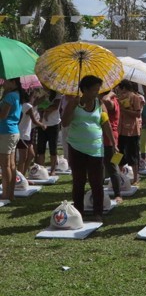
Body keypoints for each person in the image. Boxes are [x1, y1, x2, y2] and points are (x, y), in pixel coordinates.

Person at [61, 76, 116, 221]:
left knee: (97, 182)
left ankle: (98, 212)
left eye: (98, 89)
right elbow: (65, 123)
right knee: (78, 181)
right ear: (84, 89)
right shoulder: (74, 103)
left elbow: (105, 123)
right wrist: (72, 107)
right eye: (94, 90)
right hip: (76, 147)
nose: (97, 92)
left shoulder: (99, 103)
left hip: (96, 149)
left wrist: (113, 142)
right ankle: (79, 212)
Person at [0, 78, 23, 201]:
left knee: (5, 166)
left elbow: (3, 115)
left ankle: (6, 194)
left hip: (6, 132)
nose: (3, 83)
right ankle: (10, 194)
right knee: (11, 165)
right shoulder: (17, 95)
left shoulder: (10, 96)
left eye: (6, 81)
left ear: (13, 83)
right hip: (12, 131)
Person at [116, 80, 143, 185]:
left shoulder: (135, 98)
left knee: (133, 154)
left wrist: (124, 110)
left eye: (120, 89)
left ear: (124, 88)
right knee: (118, 153)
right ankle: (118, 175)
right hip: (120, 130)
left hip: (132, 131)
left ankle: (136, 177)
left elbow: (137, 114)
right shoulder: (118, 98)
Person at [100, 89, 123, 204]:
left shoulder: (110, 100)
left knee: (112, 167)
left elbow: (105, 99)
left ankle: (118, 194)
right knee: (106, 166)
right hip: (107, 138)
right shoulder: (111, 100)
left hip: (109, 138)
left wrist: (112, 92)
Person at [17, 90, 45, 175]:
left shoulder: (23, 105)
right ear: (30, 97)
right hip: (23, 135)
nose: (35, 99)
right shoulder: (28, 106)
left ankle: (23, 175)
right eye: (34, 97)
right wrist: (43, 125)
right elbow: (35, 121)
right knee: (23, 158)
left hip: (25, 135)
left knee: (31, 155)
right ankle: (20, 177)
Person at [36, 89, 61, 175]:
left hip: (54, 124)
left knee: (53, 148)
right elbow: (37, 105)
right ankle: (41, 170)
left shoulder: (57, 93)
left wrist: (45, 110)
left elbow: (55, 106)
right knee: (41, 149)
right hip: (42, 124)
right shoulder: (41, 93)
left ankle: (53, 170)